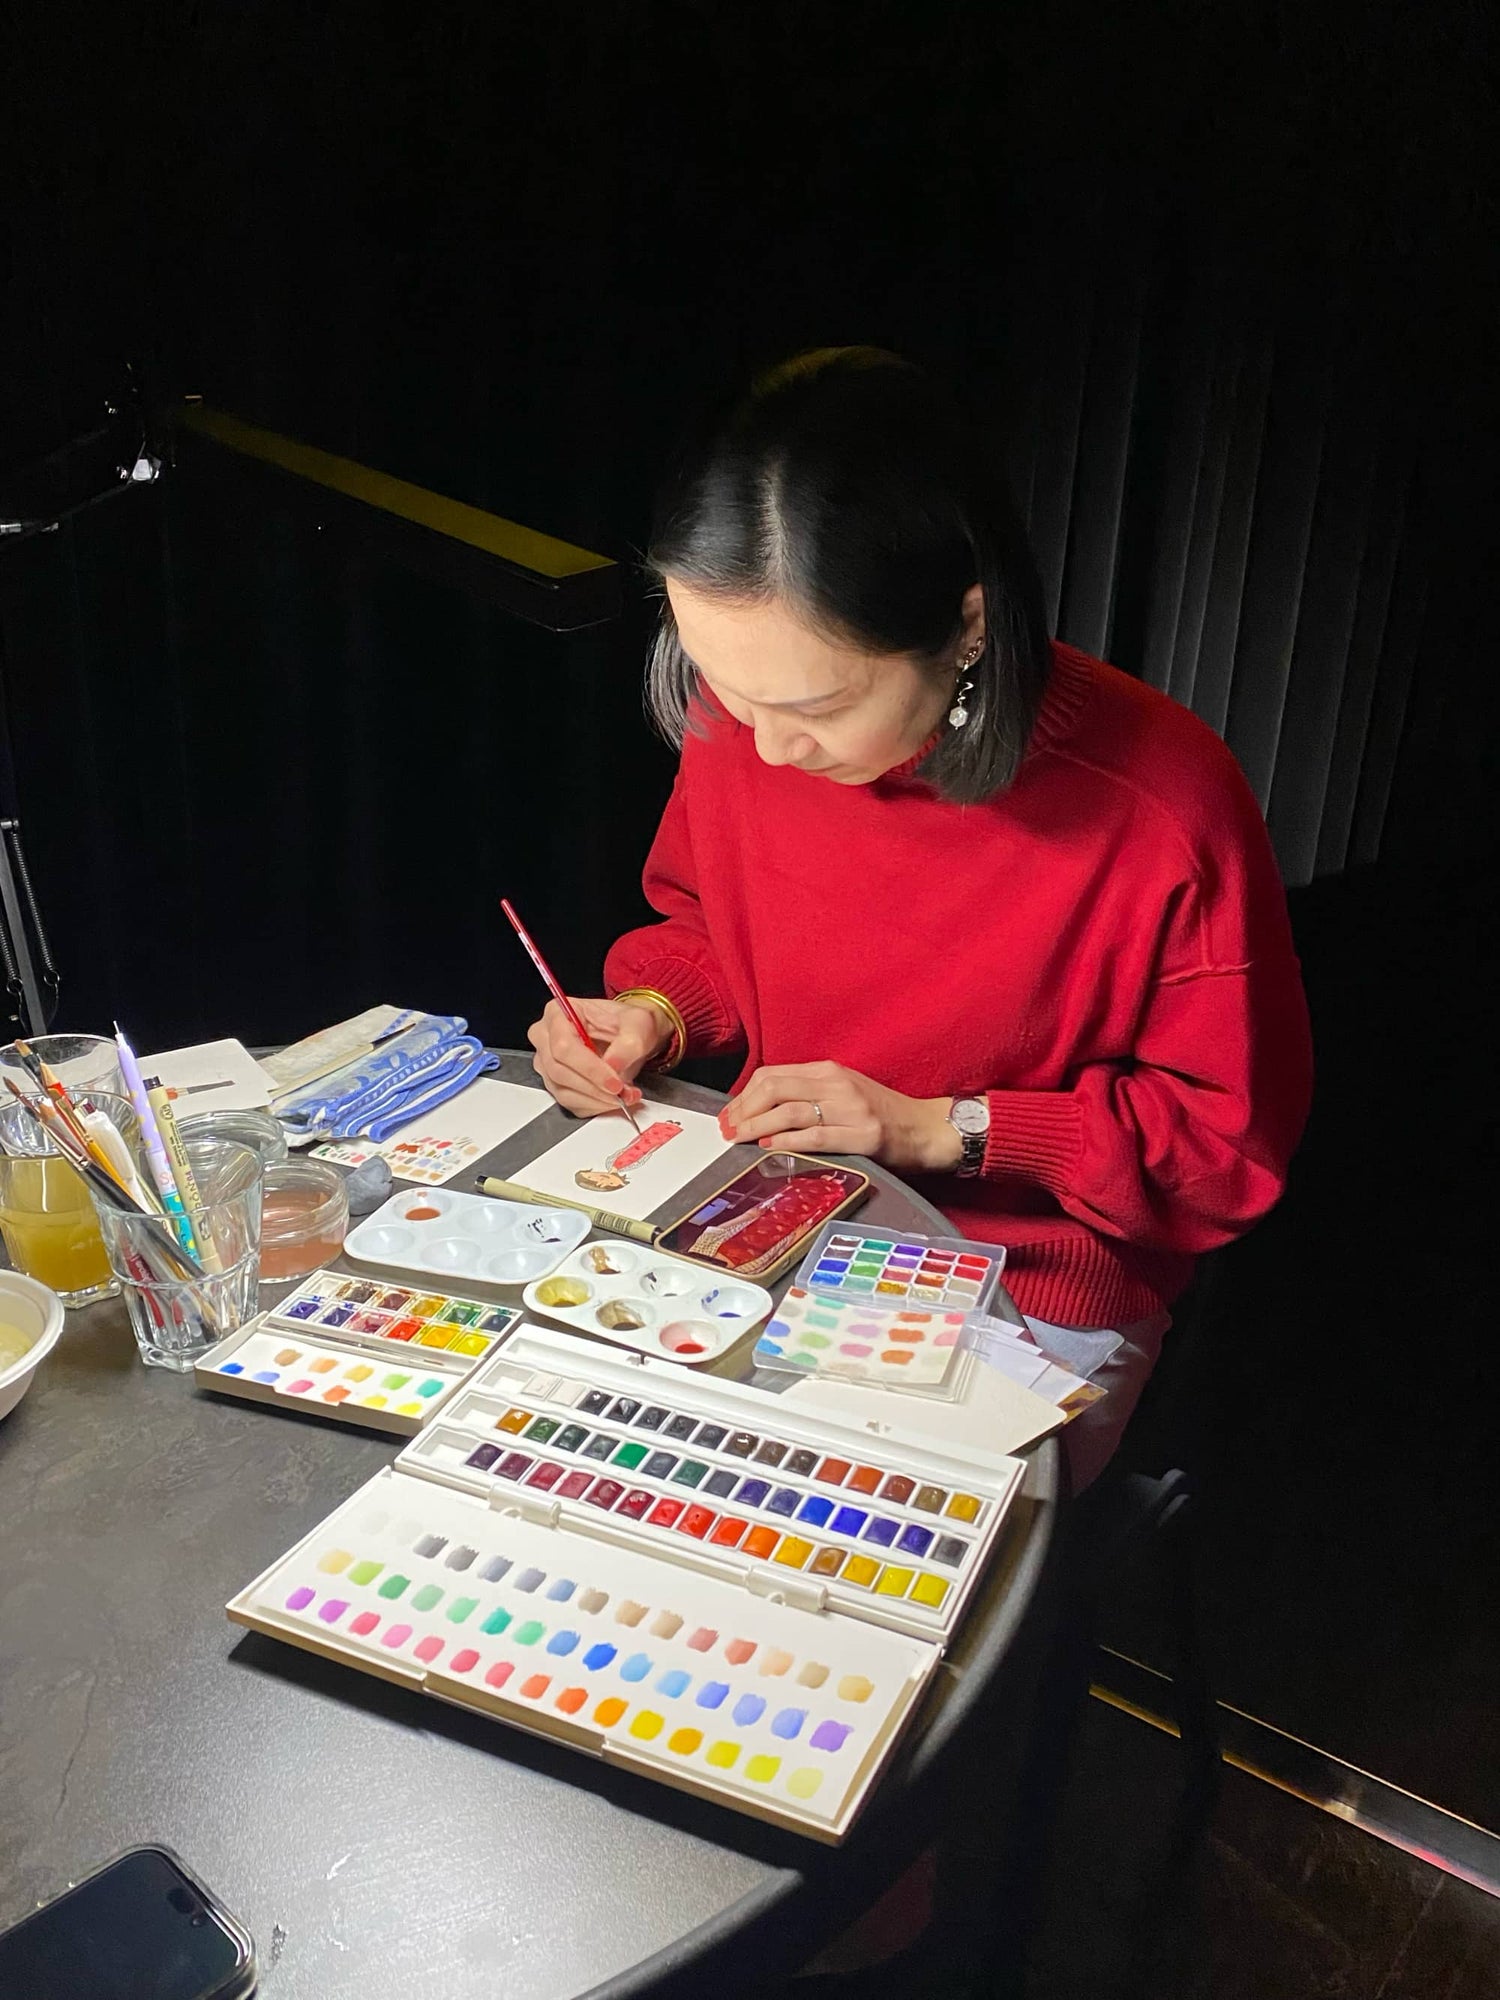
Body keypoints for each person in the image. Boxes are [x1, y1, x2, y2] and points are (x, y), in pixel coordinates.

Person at [528, 346, 1313, 1491]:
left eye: (816, 706)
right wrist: (649, 1014)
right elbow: (708, 928)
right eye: (723, 688)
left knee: (838, 1593)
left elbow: (1220, 1149)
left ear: (968, 624)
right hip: (774, 1225)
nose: (765, 747)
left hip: (1022, 1285)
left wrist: (950, 1126)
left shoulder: (1161, 806)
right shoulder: (746, 717)